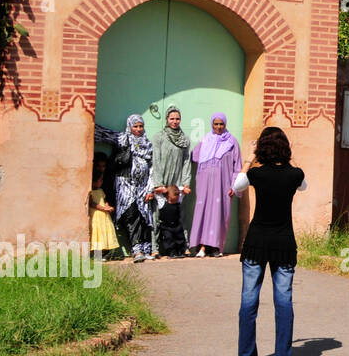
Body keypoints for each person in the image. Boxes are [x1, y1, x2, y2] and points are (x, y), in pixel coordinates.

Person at [235, 127, 307, 356]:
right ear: (286, 148)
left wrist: (249, 159)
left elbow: (236, 186)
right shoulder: (295, 174)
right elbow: (303, 186)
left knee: (248, 301)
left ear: (261, 148)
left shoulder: (257, 174)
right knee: (284, 301)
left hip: (256, 243)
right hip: (284, 244)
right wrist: (287, 159)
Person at [94, 115, 156, 262]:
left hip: (142, 186)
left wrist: (149, 188)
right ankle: (136, 250)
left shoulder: (147, 144)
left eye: (141, 126)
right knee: (130, 214)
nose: (138, 129)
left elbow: (153, 167)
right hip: (125, 184)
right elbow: (103, 134)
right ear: (130, 127)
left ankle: (145, 248)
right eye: (135, 126)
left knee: (143, 217)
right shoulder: (122, 138)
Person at [190, 113, 241, 257]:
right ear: (212, 124)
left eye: (221, 124)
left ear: (225, 124)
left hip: (223, 184)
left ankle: (216, 247)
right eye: (216, 124)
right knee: (204, 211)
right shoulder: (206, 139)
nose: (218, 127)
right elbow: (194, 156)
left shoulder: (232, 142)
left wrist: (234, 186)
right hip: (205, 182)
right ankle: (200, 245)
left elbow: (238, 165)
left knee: (220, 213)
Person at [149, 106, 192, 257]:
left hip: (177, 181)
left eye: (177, 119)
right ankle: (155, 247)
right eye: (172, 118)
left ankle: (183, 246)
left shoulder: (185, 139)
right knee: (157, 214)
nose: (175, 121)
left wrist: (186, 183)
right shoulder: (159, 137)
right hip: (162, 180)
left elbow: (186, 162)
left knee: (179, 215)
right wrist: (159, 184)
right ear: (167, 119)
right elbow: (156, 160)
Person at [88, 157, 121, 261]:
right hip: (96, 215)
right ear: (93, 182)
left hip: (103, 216)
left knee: (104, 233)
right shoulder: (91, 192)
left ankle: (106, 253)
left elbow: (104, 198)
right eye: (100, 180)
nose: (101, 182)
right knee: (97, 234)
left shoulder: (101, 190)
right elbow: (92, 203)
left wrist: (107, 206)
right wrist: (103, 208)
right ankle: (97, 255)